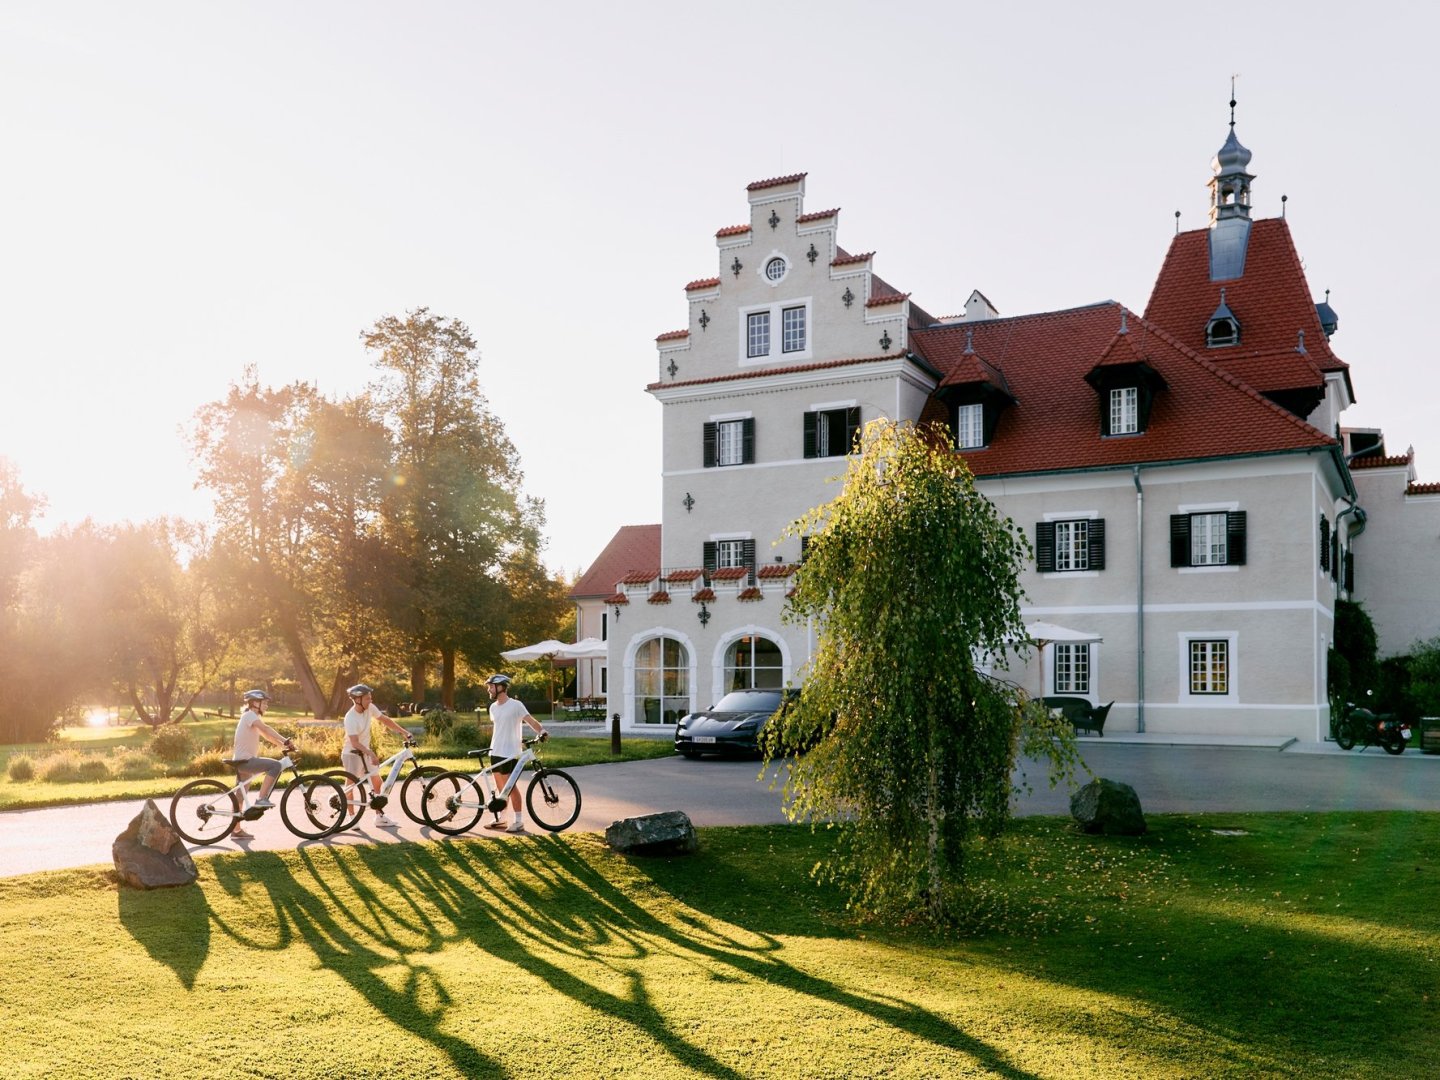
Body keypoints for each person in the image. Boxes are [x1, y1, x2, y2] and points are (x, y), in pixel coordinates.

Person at [341, 683, 414, 828]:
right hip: (352, 754)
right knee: (350, 786)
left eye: (370, 698)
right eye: (367, 698)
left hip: (365, 752)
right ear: (357, 700)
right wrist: (371, 753)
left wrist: (403, 732)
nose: (370, 701)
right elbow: (354, 742)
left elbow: (385, 720)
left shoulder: (369, 708)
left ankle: (379, 817)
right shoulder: (350, 718)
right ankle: (351, 817)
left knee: (377, 782)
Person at [482, 673, 548, 833]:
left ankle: (518, 821)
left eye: (491, 686)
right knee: (500, 788)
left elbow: (530, 720)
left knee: (510, 787)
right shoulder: (493, 707)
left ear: (501, 687)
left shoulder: (516, 705)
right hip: (495, 750)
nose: (489, 690)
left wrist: (542, 730)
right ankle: (502, 819)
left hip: (509, 752)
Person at [230, 689, 294, 839]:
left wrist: (282, 746)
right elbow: (266, 729)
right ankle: (261, 799)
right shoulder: (250, 715)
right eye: (264, 703)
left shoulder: (250, 717)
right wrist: (285, 740)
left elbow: (266, 735)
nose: (266, 706)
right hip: (246, 761)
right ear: (255, 703)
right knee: (275, 766)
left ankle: (236, 830)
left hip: (243, 761)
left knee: (240, 796)